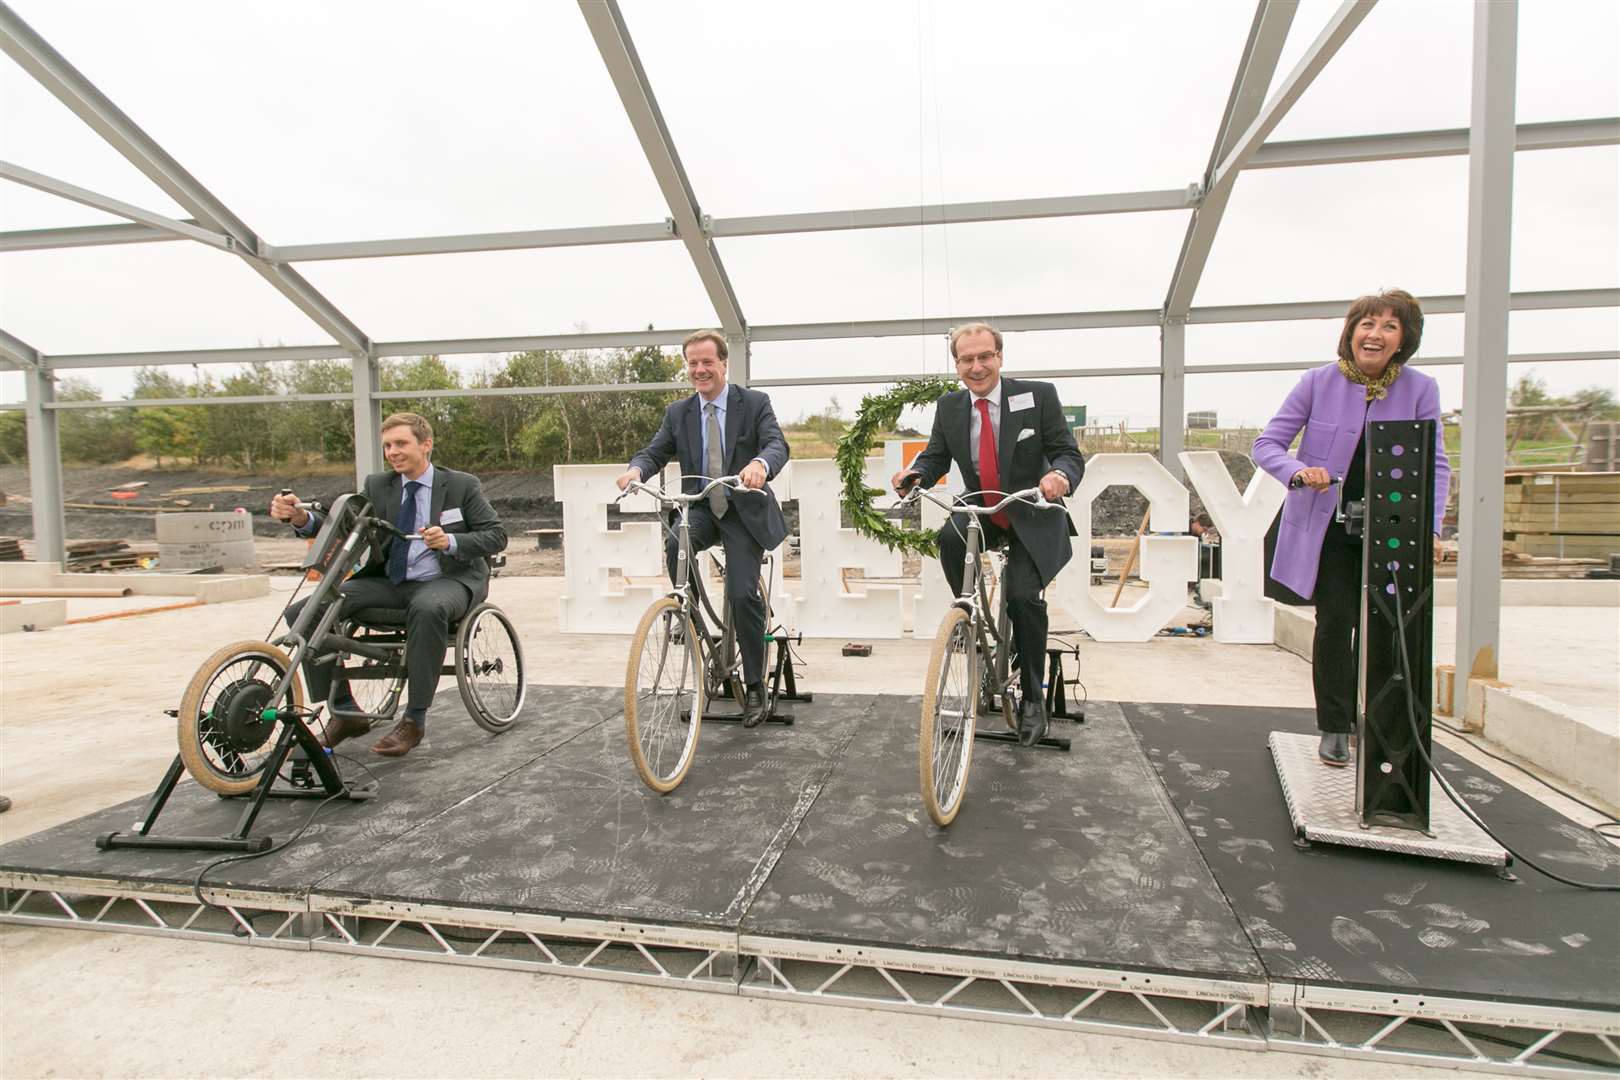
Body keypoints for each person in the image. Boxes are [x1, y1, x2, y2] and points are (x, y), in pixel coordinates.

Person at [1252, 289, 1450, 767]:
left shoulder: (1421, 389)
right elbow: (1267, 445)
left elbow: (1436, 464)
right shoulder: (1317, 382)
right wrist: (1298, 472)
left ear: (1403, 339)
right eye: (1366, 323)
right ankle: (1336, 726)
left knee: (1389, 626)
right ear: (1351, 332)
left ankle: (1383, 725)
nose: (1374, 334)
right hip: (1331, 529)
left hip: (1393, 528)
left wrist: (1433, 529)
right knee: (1337, 624)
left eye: (1388, 326)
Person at [890, 322, 1086, 748]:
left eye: (985, 357)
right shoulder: (952, 406)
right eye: (966, 359)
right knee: (948, 538)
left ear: (1000, 357)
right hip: (982, 505)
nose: (976, 367)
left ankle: (1033, 698)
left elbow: (1068, 452)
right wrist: (915, 474)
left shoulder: (1037, 396)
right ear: (956, 363)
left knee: (1021, 597)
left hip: (1033, 511)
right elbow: (936, 455)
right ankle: (971, 615)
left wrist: (1059, 475)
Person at [270, 412, 507, 758]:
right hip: (391, 580)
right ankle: (344, 711)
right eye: (387, 446)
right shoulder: (378, 486)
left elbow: (496, 535)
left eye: (401, 443)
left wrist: (451, 542)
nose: (393, 452)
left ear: (426, 445)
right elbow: (341, 523)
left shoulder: (461, 485)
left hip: (448, 578)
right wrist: (301, 518)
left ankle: (414, 719)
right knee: (305, 611)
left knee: (428, 607)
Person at [616, 329, 790, 728]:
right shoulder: (679, 413)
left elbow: (776, 443)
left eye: (707, 362)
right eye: (692, 363)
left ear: (724, 364)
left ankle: (756, 686)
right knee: (678, 536)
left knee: (742, 592)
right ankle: (688, 611)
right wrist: (635, 470)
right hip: (703, 507)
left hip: (743, 510)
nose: (699, 370)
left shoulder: (754, 403)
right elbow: (656, 450)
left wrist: (760, 466)